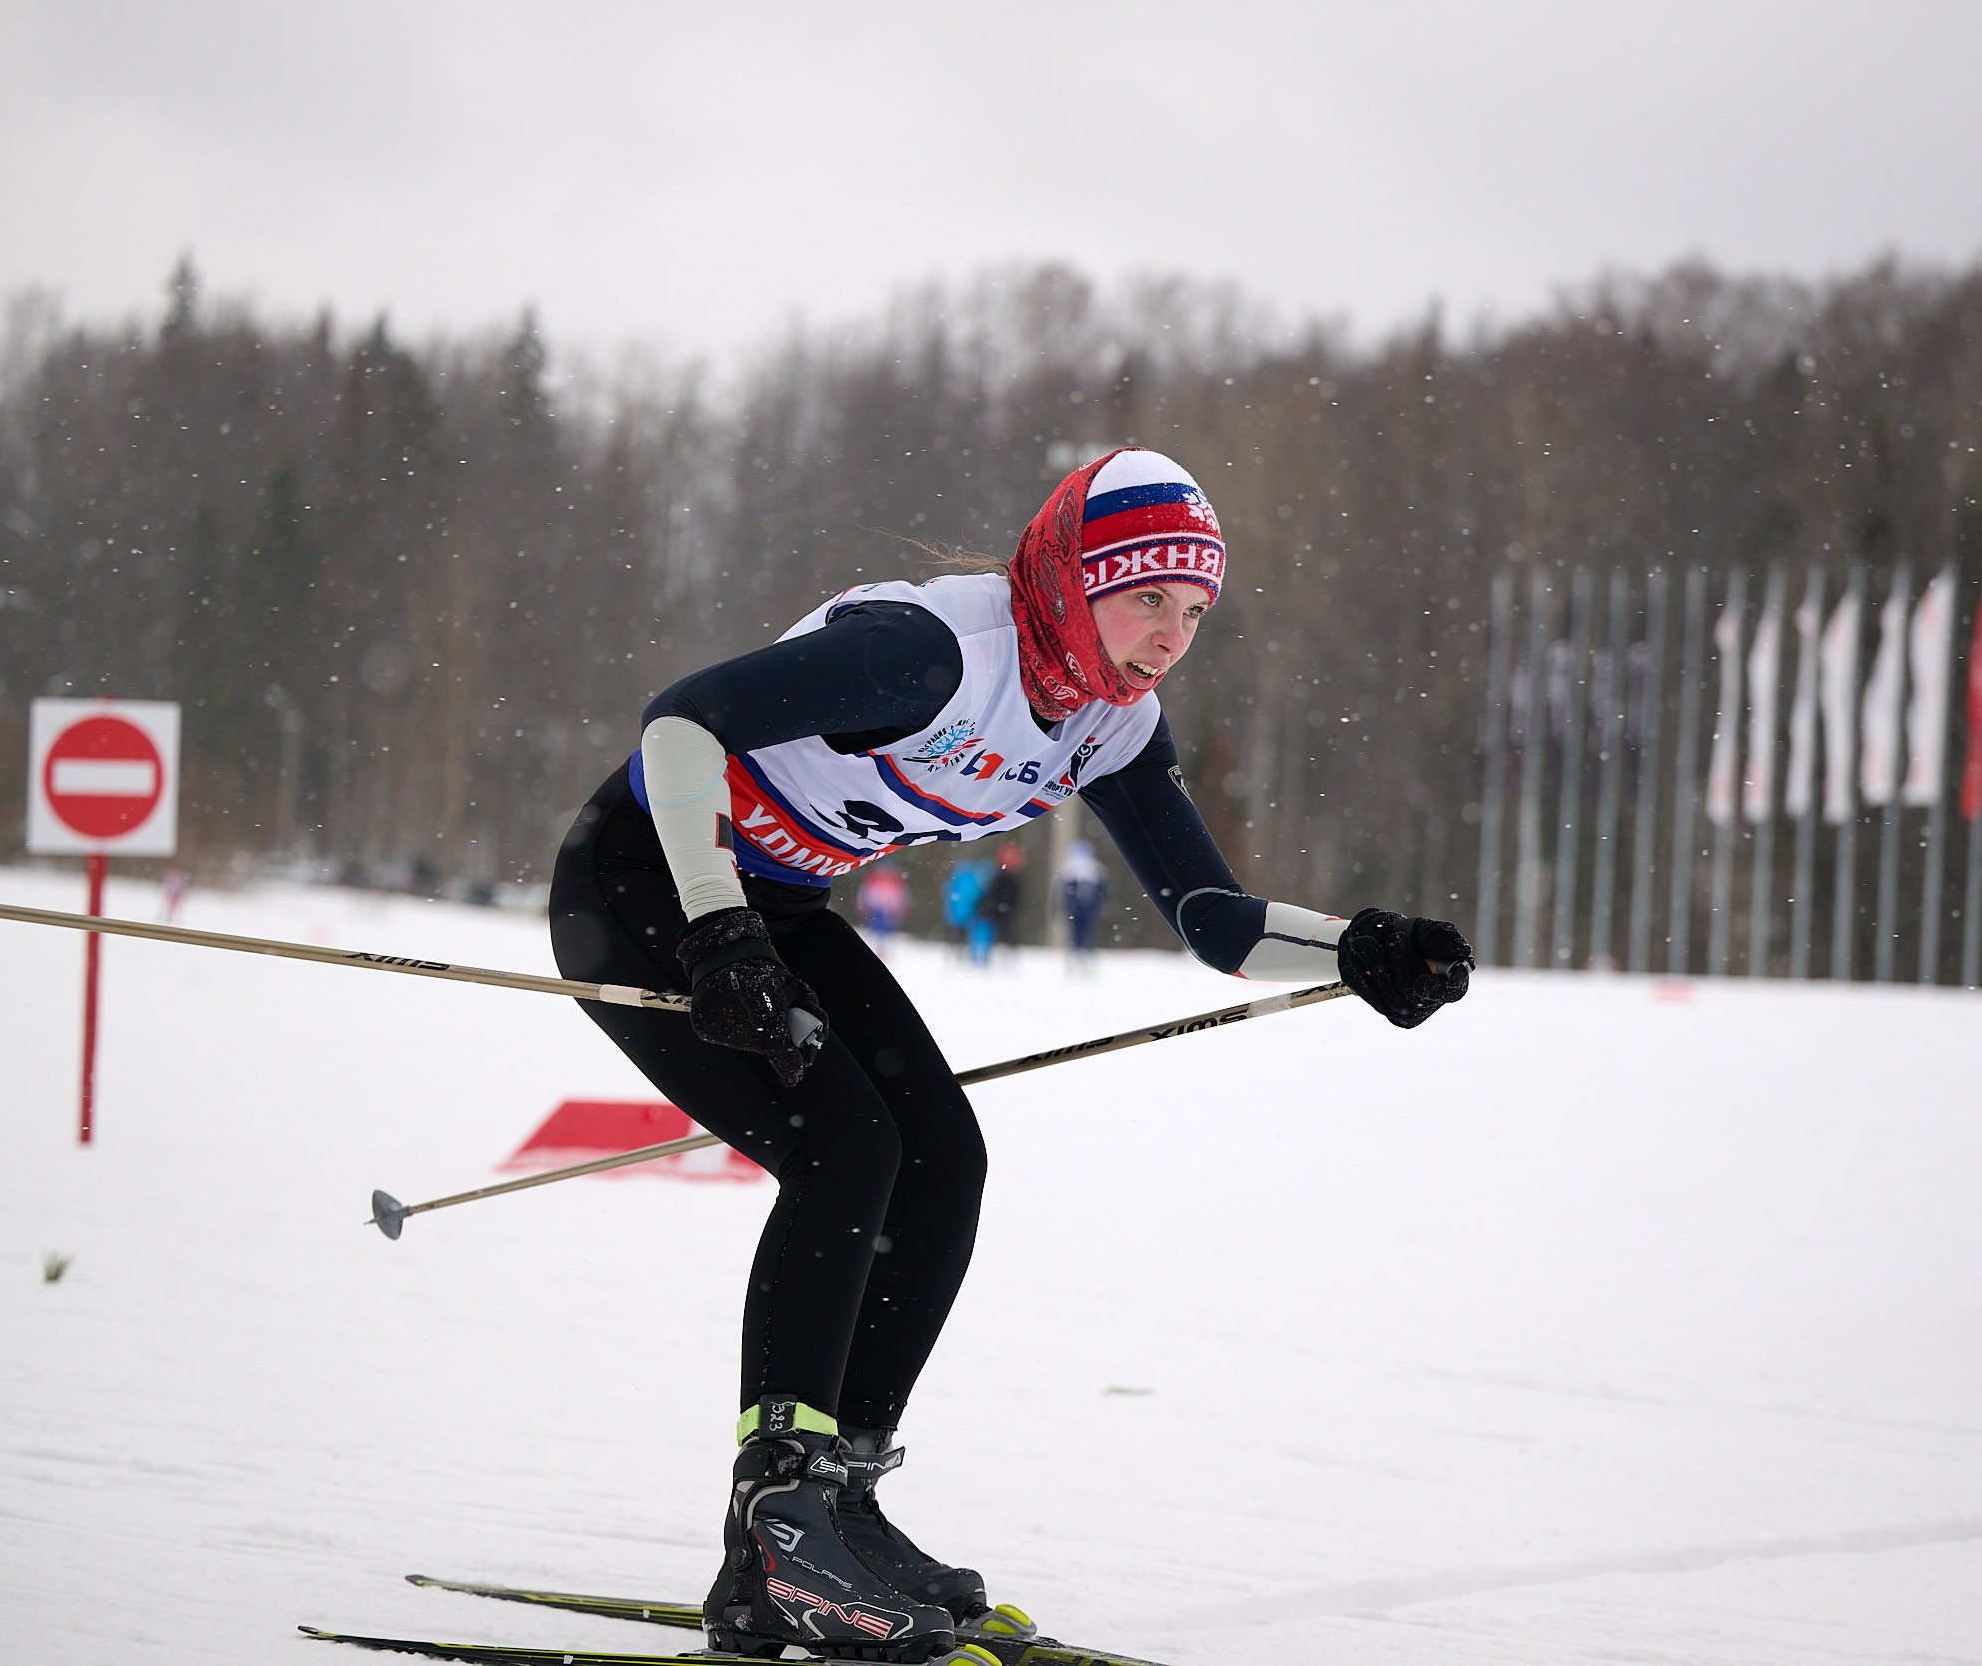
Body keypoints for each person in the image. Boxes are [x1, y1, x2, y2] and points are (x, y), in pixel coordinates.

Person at [548, 447, 1471, 1663]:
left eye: (1195, 612)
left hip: (774, 906)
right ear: (1075, 578)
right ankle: (781, 1514)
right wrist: (717, 925)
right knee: (847, 1146)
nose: (1169, 636)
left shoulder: (1112, 720)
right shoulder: (935, 655)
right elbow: (683, 719)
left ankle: (827, 1511)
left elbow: (1212, 919)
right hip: (649, 885)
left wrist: (1363, 949)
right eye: (1148, 599)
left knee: (940, 1158)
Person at [1056, 838, 1107, 968]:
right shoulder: (1072, 869)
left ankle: (1081, 962)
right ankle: (1078, 962)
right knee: (1081, 935)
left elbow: (1102, 891)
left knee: (1081, 935)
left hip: (1083, 909)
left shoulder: (1093, 870)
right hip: (1080, 909)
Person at [855, 860, 908, 946]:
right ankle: (876, 946)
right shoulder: (874, 877)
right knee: (877, 927)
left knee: (885, 928)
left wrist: (900, 906)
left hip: (886, 907)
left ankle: (881, 946)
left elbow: (901, 893)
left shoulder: (894, 879)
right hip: (877, 906)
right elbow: (865, 890)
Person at [985, 842, 1025, 952]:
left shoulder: (1001, 877)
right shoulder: (1006, 878)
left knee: (1004, 931)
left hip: (1002, 909)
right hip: (1003, 909)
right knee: (1005, 931)